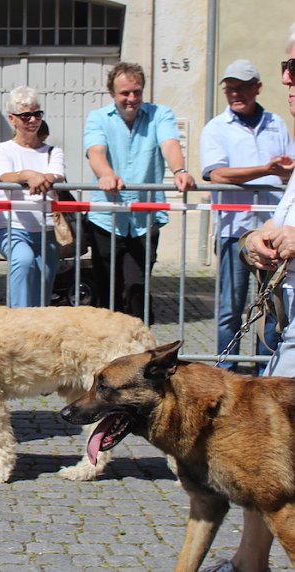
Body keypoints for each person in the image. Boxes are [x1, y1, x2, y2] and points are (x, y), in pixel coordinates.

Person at [221, 23, 295, 572]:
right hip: (288, 322)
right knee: (266, 447)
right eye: (289, 67)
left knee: (268, 445)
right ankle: (249, 564)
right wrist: (256, 239)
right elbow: (281, 223)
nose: (290, 79)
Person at [200, 59, 294, 371]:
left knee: (272, 306)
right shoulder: (216, 127)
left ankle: (263, 372)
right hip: (235, 231)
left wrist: (281, 171)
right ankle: (225, 371)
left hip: (277, 233)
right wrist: (266, 170)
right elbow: (217, 174)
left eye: (242, 88)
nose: (235, 94)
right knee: (231, 308)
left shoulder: (277, 123)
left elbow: (288, 169)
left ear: (258, 88)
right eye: (230, 89)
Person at [83, 62, 196, 322]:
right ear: (112, 94)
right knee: (105, 293)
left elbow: (169, 144)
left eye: (137, 92)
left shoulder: (160, 115)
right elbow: (95, 152)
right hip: (106, 219)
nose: (131, 99)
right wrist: (106, 174)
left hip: (144, 221)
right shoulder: (98, 118)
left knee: (136, 289)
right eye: (125, 93)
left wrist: (179, 171)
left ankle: (141, 355)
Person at [0, 86, 66, 307]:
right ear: (12, 119)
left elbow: (57, 173)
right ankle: (18, 325)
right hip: (12, 227)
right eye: (26, 116)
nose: (33, 120)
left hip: (46, 229)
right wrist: (27, 175)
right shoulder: (3, 149)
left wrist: (42, 178)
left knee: (43, 287)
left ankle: (39, 333)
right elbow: (4, 176)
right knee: (23, 262)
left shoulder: (53, 150)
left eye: (37, 114)